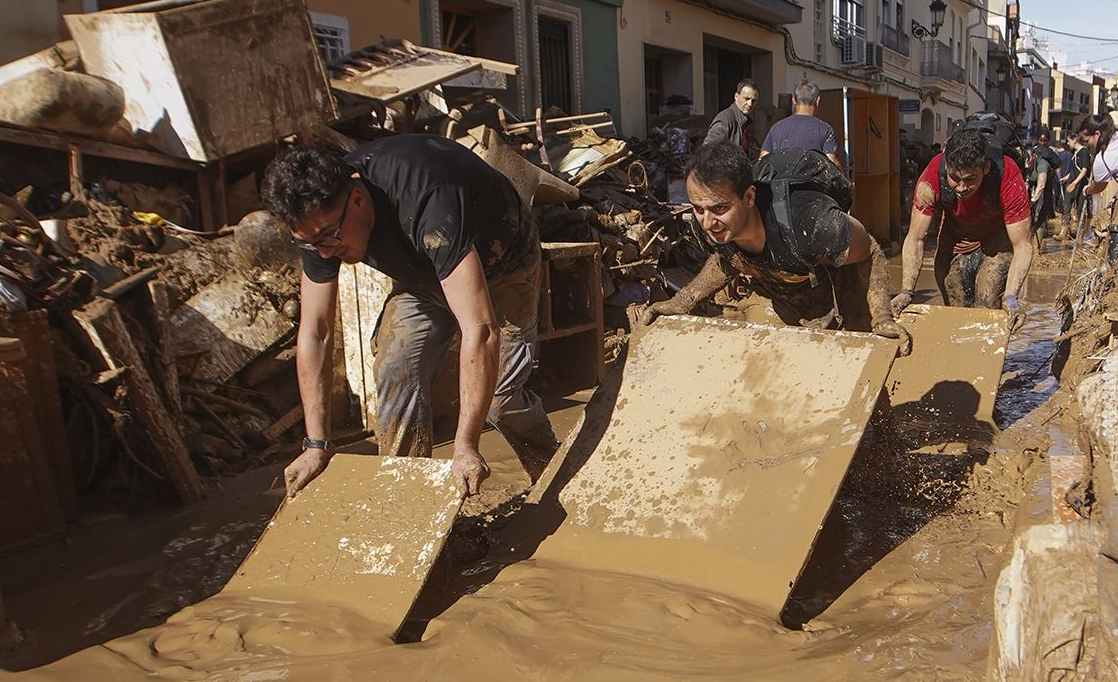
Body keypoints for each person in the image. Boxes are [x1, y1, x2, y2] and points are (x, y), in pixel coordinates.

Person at [262, 137, 559, 499]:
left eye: (329, 237)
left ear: (356, 200)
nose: (324, 252)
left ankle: (554, 475)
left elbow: (479, 329)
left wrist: (465, 445)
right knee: (396, 367)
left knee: (500, 399)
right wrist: (315, 444)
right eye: (311, 244)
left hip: (503, 263)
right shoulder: (319, 223)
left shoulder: (426, 196)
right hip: (422, 276)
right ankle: (408, 501)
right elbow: (316, 332)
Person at [630, 143, 904, 350]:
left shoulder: (813, 224)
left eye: (719, 208)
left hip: (836, 282)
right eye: (698, 209)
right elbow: (726, 259)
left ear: (749, 196)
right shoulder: (708, 227)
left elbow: (870, 250)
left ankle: (884, 425)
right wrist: (683, 301)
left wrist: (881, 317)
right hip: (787, 292)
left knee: (857, 362)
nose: (708, 221)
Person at [892, 125, 1034, 313]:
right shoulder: (932, 175)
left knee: (987, 307)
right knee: (957, 314)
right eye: (954, 178)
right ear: (947, 167)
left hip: (995, 243)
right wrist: (906, 291)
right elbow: (915, 238)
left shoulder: (1007, 175)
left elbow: (1022, 245)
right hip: (955, 242)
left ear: (986, 168)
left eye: (970, 179)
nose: (961, 187)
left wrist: (1010, 298)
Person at [761, 80, 841, 166]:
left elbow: (763, 159)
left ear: (794, 101)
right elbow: (831, 163)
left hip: (779, 178)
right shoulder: (825, 129)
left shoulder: (776, 128)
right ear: (817, 100)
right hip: (811, 179)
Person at [703, 79, 760, 159]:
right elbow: (708, 150)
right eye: (746, 99)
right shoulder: (725, 119)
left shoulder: (747, 121)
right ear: (736, 96)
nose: (750, 104)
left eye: (753, 100)